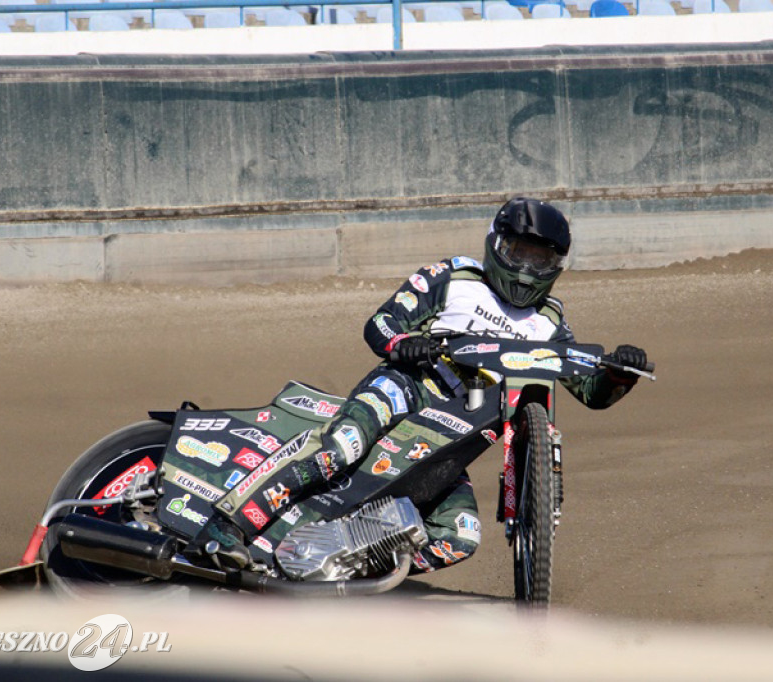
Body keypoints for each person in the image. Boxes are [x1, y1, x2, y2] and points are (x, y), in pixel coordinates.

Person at [186, 197, 650, 572]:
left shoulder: (550, 319)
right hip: (406, 389)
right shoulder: (451, 277)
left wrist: (619, 371)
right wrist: (404, 345)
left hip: (459, 431)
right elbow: (381, 323)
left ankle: (342, 562)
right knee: (340, 449)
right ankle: (227, 526)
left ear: (556, 264)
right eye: (518, 254)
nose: (527, 268)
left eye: (540, 258)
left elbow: (590, 390)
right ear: (496, 244)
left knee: (460, 536)